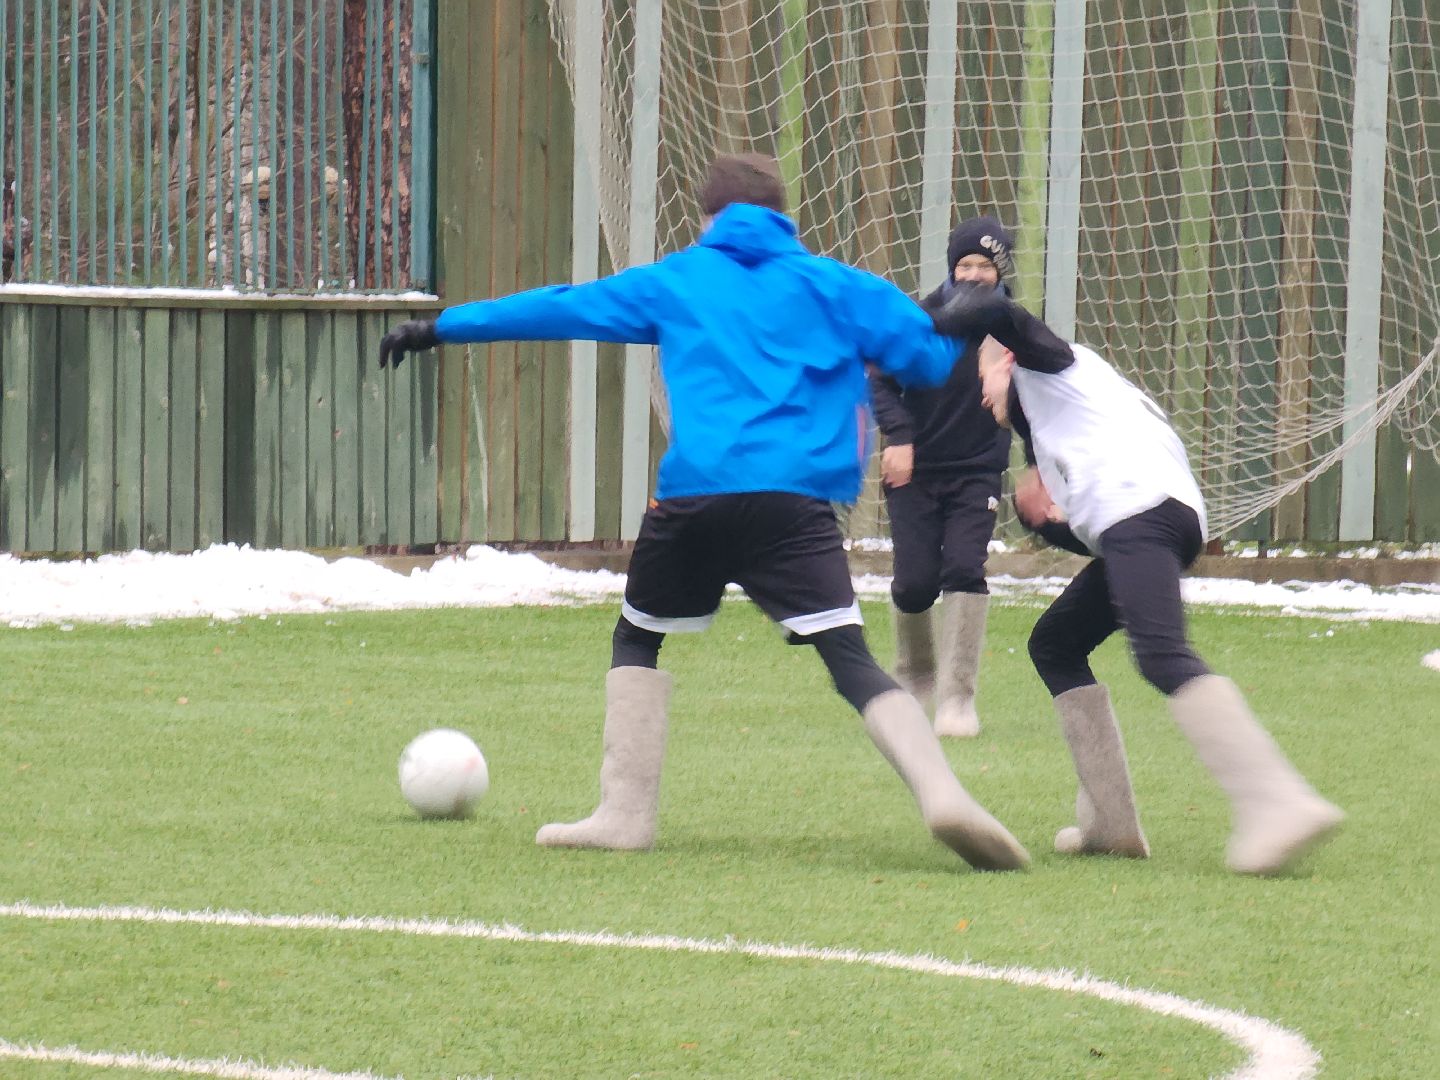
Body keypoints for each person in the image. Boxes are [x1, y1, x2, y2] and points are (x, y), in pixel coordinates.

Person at [377, 153, 1029, 872]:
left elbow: (561, 305)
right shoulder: (837, 285)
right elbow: (929, 362)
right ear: (781, 216)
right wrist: (959, 322)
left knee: (638, 638)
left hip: (695, 495)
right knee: (850, 659)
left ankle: (624, 815)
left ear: (710, 218)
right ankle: (942, 793)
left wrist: (441, 328)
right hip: (794, 504)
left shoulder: (678, 279)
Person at [929, 286, 1344, 875]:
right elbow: (1102, 543)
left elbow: (997, 311)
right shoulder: (1059, 423)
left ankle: (1278, 804)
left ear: (1009, 360)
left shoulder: (1052, 365)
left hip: (1143, 515)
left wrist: (922, 322)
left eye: (983, 374)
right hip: (1156, 519)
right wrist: (1045, 524)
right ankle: (1110, 825)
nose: (980, 390)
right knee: (1056, 644)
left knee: (1162, 656)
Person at [868, 216, 1014, 737]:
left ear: (1001, 271)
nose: (974, 275)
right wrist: (899, 438)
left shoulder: (1014, 329)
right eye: (964, 264)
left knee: (964, 570)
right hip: (916, 471)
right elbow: (879, 382)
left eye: (985, 266)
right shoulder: (921, 319)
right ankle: (914, 679)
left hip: (977, 472)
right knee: (913, 584)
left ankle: (957, 698)